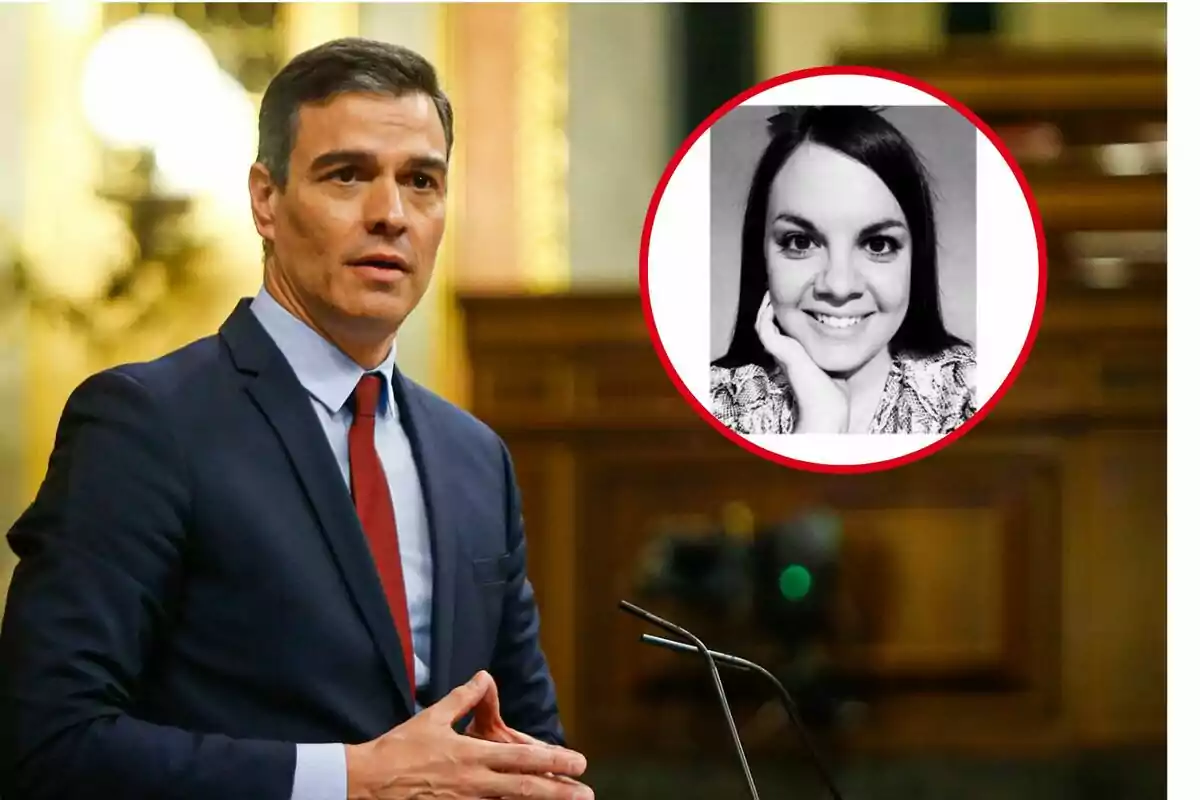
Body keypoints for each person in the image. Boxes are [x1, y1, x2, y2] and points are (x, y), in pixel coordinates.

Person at [0, 37, 593, 800]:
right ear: (265, 200)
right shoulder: (145, 423)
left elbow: (529, 742)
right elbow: (49, 741)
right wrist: (349, 780)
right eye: (347, 175)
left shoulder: (475, 455)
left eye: (421, 181)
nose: (390, 214)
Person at [710, 105, 977, 436]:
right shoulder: (715, 405)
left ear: (915, 259)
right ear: (760, 254)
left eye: (877, 245)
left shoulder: (971, 397)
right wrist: (821, 423)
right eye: (800, 241)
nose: (838, 285)